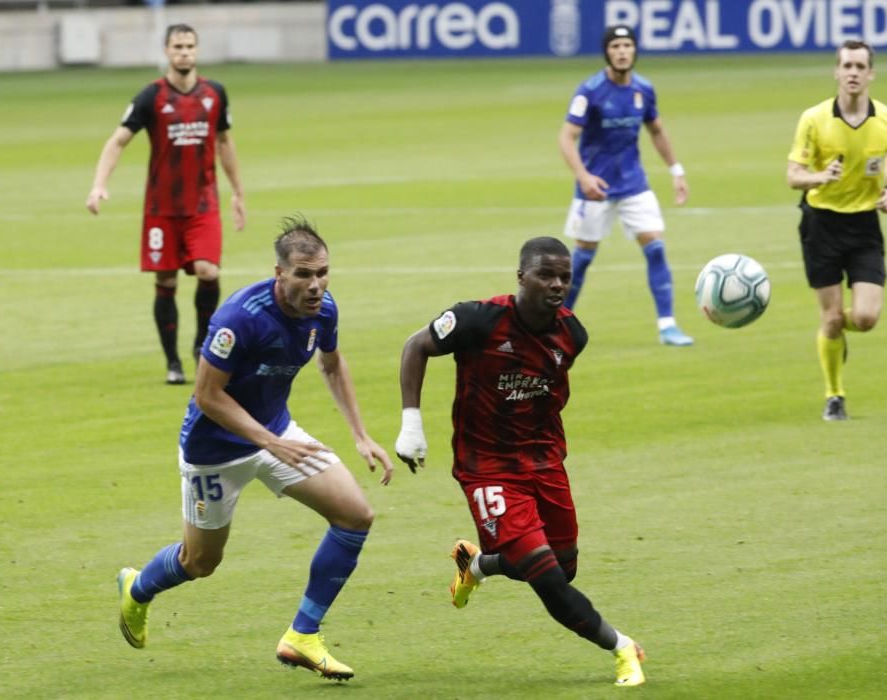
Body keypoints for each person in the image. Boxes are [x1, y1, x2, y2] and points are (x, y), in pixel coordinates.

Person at [116, 217, 395, 681]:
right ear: (279, 272)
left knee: (355, 515)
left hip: (277, 434)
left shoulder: (324, 310)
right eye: (304, 275)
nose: (316, 285)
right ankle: (137, 588)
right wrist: (269, 443)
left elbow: (332, 363)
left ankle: (302, 634)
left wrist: (361, 434)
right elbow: (207, 395)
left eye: (323, 272)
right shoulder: (240, 317)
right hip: (215, 450)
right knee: (200, 562)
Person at [394, 236, 647, 687]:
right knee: (549, 579)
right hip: (486, 468)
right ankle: (622, 647)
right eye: (546, 275)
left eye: (564, 277)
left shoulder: (573, 334)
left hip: (544, 462)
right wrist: (411, 423)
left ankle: (477, 564)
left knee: (564, 566)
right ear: (521, 277)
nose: (557, 285)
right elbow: (416, 345)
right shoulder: (477, 320)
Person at [86, 23, 246, 385]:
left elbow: (224, 143)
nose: (184, 51)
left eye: (190, 45)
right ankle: (173, 362)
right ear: (166, 50)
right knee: (166, 279)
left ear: (197, 50)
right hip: (161, 208)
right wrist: (99, 185)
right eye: (178, 46)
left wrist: (237, 191)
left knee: (208, 271)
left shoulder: (214, 94)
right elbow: (118, 141)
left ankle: (201, 347)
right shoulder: (151, 97)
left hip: (203, 205)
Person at [558, 24, 692, 347]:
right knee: (582, 259)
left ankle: (667, 326)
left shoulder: (643, 89)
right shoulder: (589, 90)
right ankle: (556, 325)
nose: (621, 51)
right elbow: (566, 137)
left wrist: (676, 170)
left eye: (627, 45)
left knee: (656, 249)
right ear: (607, 51)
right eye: (615, 45)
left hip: (634, 185)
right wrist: (584, 176)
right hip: (596, 187)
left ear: (634, 50)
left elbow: (656, 130)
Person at [787, 40, 887, 421]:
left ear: (871, 74)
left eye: (860, 67)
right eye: (847, 66)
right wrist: (819, 176)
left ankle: (830, 333)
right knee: (830, 318)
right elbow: (792, 175)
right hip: (821, 224)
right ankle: (834, 395)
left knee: (865, 318)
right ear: (836, 71)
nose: (853, 73)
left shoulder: (884, 121)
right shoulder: (814, 119)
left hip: (864, 226)